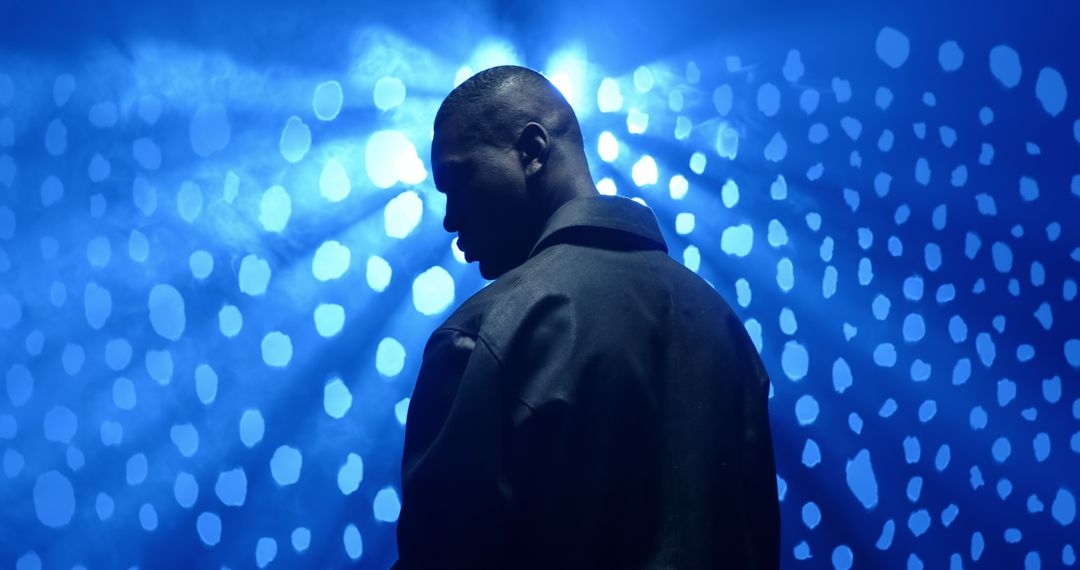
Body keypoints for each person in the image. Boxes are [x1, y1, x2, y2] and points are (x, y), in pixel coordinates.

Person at [392, 65, 779, 569]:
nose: (449, 219)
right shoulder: (726, 330)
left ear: (532, 151)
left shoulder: (488, 333)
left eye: (457, 179)